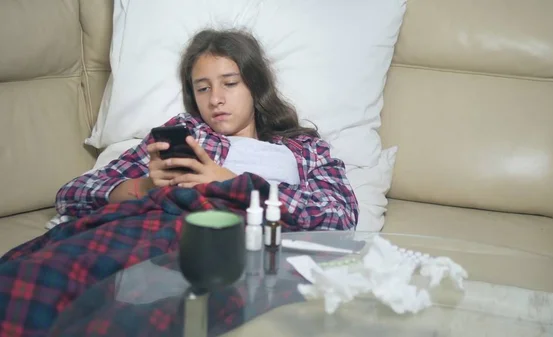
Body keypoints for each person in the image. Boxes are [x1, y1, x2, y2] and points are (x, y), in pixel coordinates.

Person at [55, 28, 359, 231]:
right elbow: (72, 195)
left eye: (230, 84)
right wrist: (146, 186)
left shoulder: (305, 149)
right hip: (163, 234)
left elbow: (341, 216)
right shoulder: (187, 133)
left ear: (255, 84)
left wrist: (233, 183)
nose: (215, 99)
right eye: (203, 88)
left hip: (247, 243)